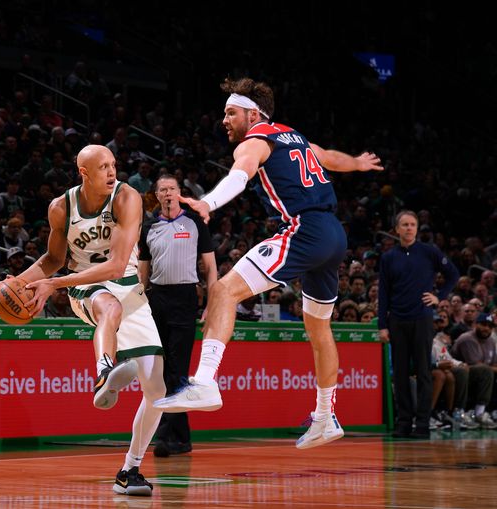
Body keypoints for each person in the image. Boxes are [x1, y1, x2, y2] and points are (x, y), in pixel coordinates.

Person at [153, 77, 383, 451]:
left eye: (230, 113)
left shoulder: (255, 141)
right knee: (319, 331)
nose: (224, 120)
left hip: (304, 230)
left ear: (252, 113)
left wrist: (208, 202)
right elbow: (328, 158)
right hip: (334, 236)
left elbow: (239, 175)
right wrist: (356, 163)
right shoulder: (293, 135)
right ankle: (325, 416)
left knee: (224, 290)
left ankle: (206, 381)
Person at [17, 145, 166, 496]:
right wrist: (18, 282)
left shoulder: (127, 198)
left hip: (127, 283)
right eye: (103, 167)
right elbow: (54, 258)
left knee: (156, 389)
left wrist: (53, 283)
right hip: (86, 285)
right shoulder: (61, 207)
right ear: (83, 172)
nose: (112, 172)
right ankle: (104, 371)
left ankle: (129, 470)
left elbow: (117, 265)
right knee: (109, 308)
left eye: (114, 164)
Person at [138, 174, 217, 458]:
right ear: (156, 196)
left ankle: (168, 437)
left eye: (172, 189)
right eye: (163, 190)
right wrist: (139, 303)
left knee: (178, 370)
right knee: (160, 371)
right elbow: (142, 271)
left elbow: (210, 267)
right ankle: (180, 438)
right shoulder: (149, 227)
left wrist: (211, 304)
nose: (168, 193)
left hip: (185, 298)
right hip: (157, 298)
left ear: (179, 193)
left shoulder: (195, 222)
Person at [377, 210, 459, 438]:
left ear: (416, 228)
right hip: (397, 320)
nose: (409, 228)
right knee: (401, 374)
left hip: (422, 318)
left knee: (424, 371)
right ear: (396, 229)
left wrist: (439, 296)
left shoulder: (429, 251)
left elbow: (452, 274)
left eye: (412, 224)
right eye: (404, 225)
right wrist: (382, 325)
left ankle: (422, 423)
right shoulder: (388, 257)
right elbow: (383, 292)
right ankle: (404, 423)